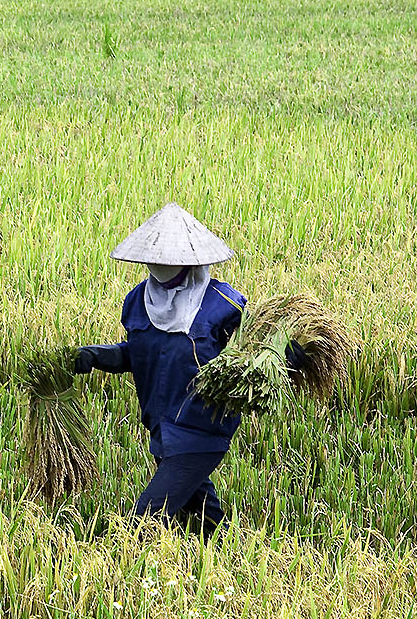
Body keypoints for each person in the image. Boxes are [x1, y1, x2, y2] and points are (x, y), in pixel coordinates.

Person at [75, 203, 306, 540]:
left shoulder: (223, 304)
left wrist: (286, 354)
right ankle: (232, 558)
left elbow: (253, 349)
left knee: (147, 518)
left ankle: (123, 568)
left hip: (201, 431)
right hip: (160, 428)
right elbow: (137, 354)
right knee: (203, 516)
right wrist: (95, 356)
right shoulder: (139, 300)